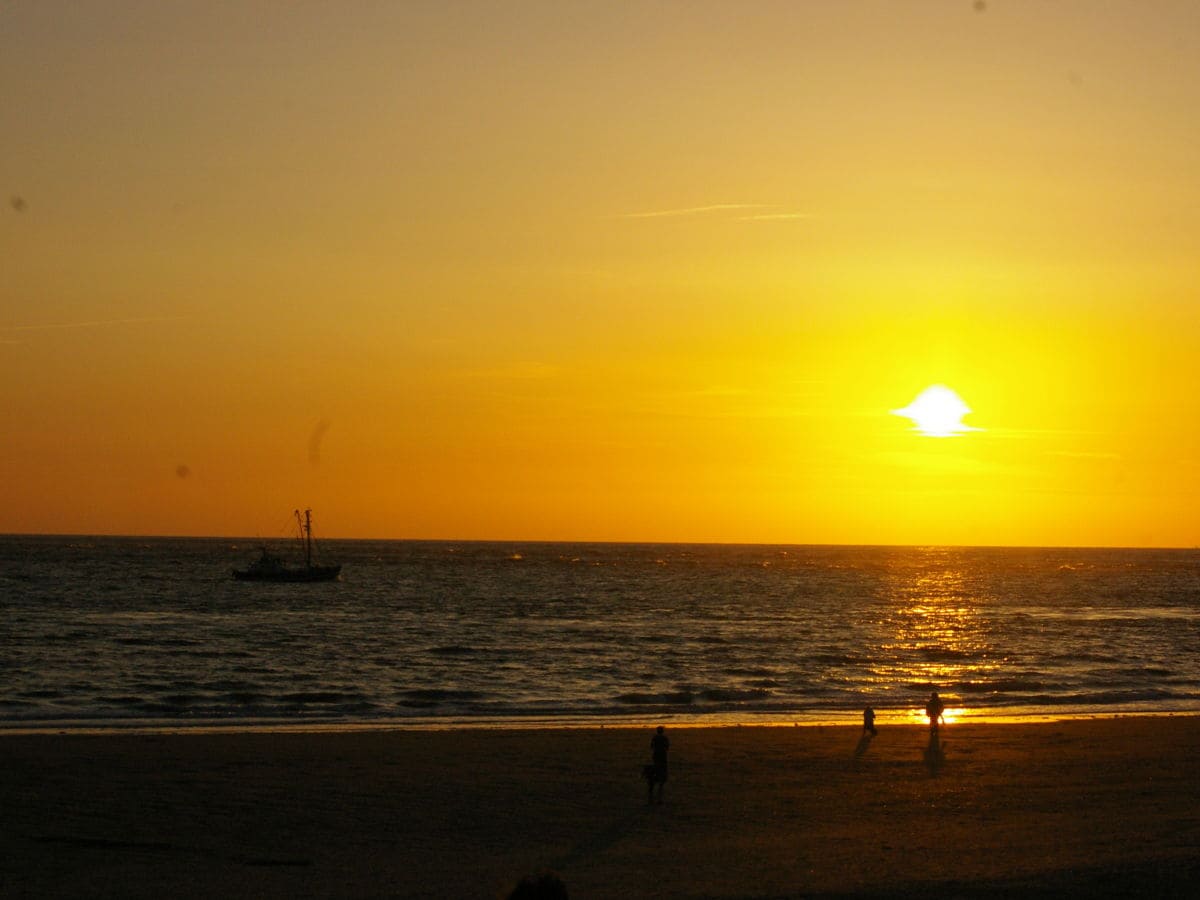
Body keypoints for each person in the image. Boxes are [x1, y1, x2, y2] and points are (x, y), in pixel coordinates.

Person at [646, 725, 669, 804]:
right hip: (663, 757)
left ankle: (651, 797)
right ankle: (659, 797)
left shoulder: (655, 738)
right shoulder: (664, 738)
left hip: (656, 756)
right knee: (662, 777)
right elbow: (667, 747)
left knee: (654, 772)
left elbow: (651, 746)